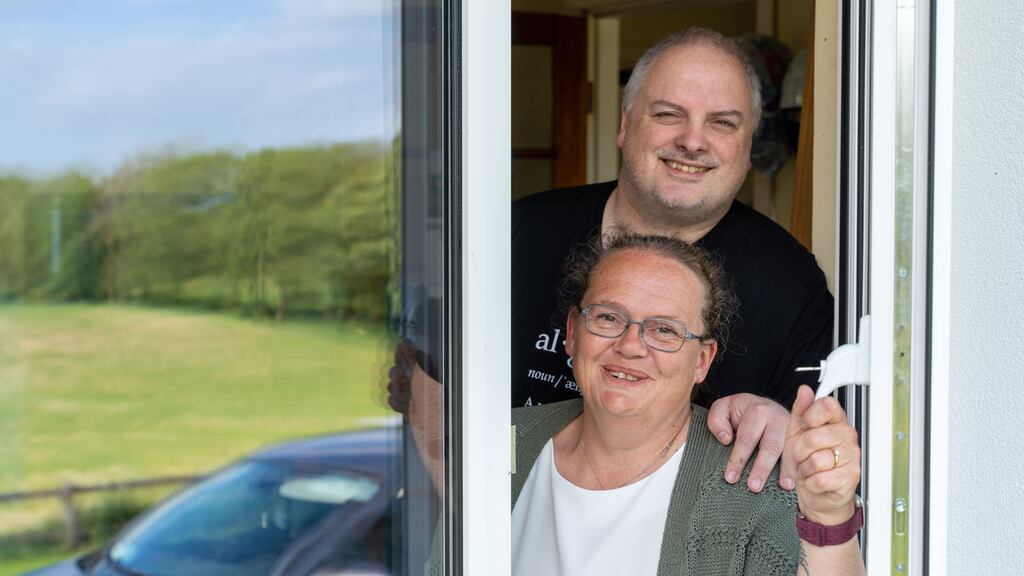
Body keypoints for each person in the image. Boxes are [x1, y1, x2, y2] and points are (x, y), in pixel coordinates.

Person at [512, 27, 834, 492]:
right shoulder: (519, 232)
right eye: (668, 114)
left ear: (747, 148)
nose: (693, 141)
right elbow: (433, 388)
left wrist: (787, 427)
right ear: (625, 125)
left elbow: (811, 460)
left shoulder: (792, 286)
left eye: (723, 123)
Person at [510, 232, 864, 576]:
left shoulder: (755, 489)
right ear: (573, 332)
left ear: (702, 361)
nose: (631, 345)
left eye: (665, 330)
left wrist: (830, 516)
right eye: (608, 317)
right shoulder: (502, 442)